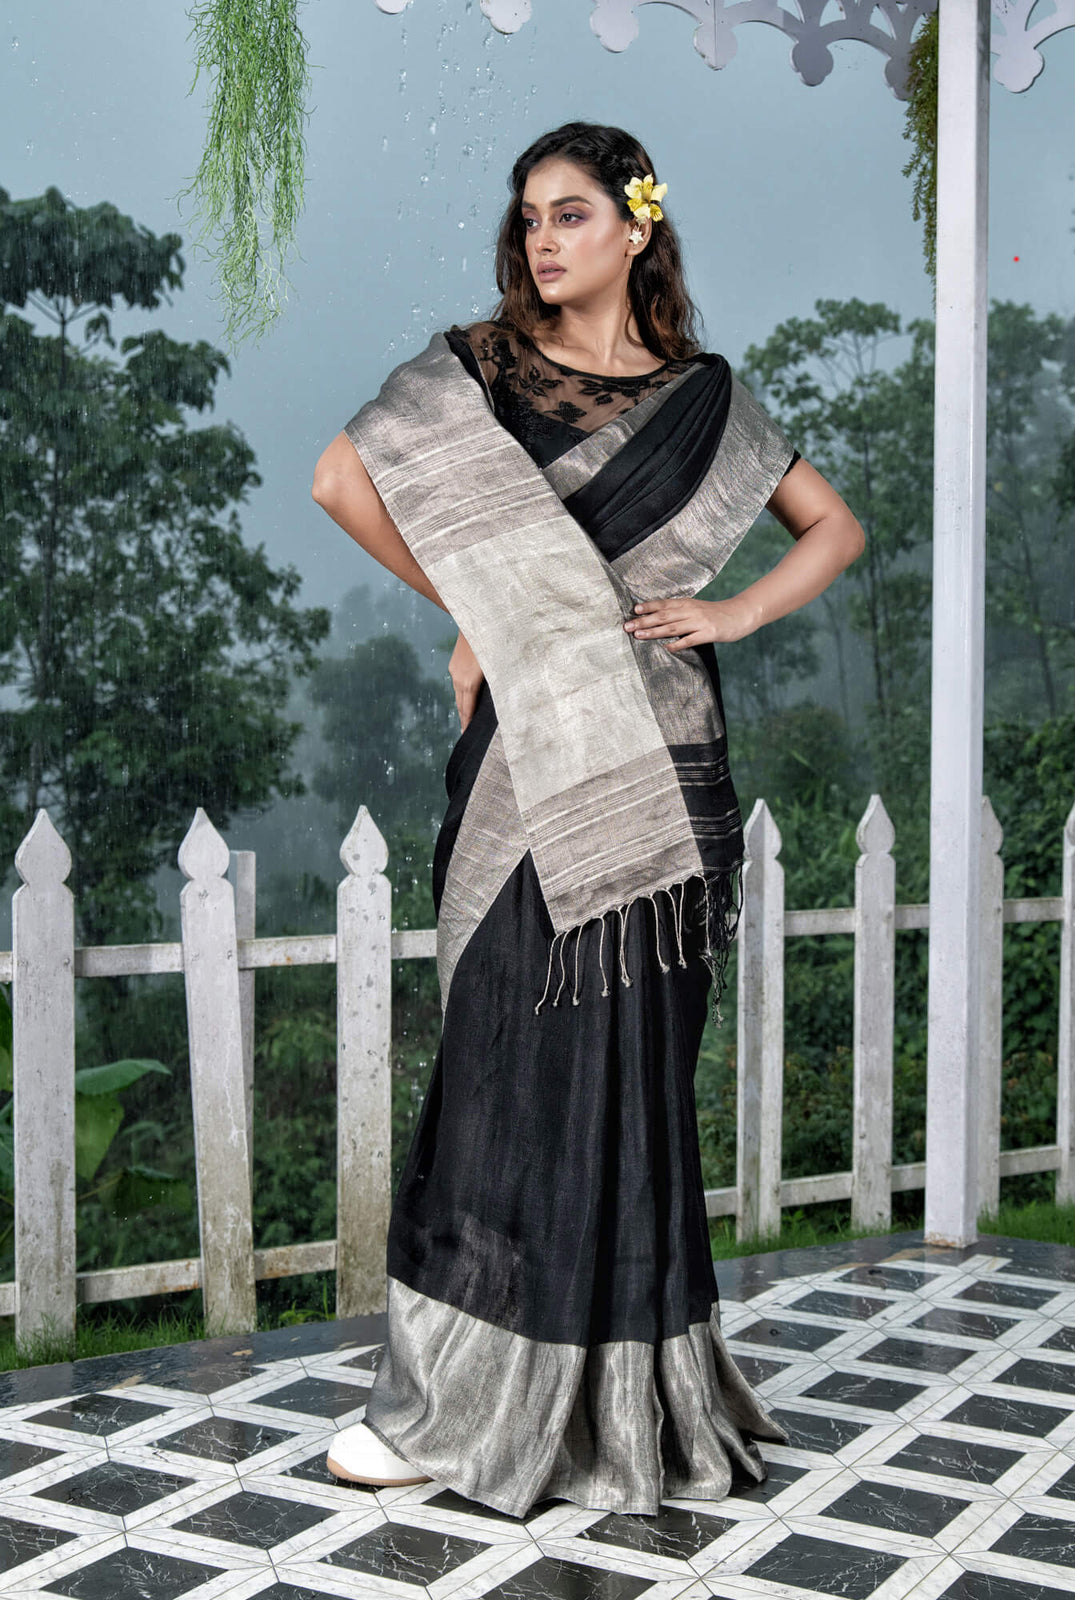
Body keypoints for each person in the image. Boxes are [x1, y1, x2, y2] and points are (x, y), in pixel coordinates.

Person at [310, 120, 864, 1519]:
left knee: (633, 1082)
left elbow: (835, 527)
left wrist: (735, 611)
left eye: (569, 213)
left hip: (664, 767)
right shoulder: (483, 369)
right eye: (529, 219)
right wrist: (481, 612)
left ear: (636, 225)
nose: (542, 240)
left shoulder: (705, 401)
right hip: (525, 762)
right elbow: (340, 480)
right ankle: (452, 1408)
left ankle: (625, 1406)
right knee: (502, 1073)